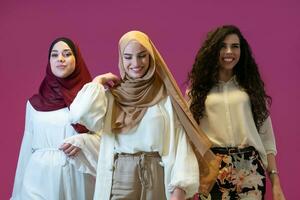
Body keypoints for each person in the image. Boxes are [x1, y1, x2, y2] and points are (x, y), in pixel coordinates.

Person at [70, 30, 218, 200]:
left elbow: (180, 143)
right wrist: (98, 81)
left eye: (142, 56)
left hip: (156, 175)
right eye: (128, 57)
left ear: (151, 57)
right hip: (120, 177)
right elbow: (77, 114)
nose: (136, 63)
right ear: (121, 58)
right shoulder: (112, 96)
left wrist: (180, 187)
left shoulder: (165, 96)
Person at [187, 25, 286, 199]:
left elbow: (266, 137)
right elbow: (188, 137)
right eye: (222, 46)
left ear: (242, 50)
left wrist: (275, 183)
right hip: (213, 169)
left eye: (235, 46)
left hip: (250, 169)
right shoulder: (197, 91)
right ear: (213, 50)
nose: (229, 51)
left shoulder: (251, 88)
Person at [11, 37, 100, 200]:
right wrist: (17, 193)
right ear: (49, 61)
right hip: (38, 176)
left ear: (77, 60)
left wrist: (84, 141)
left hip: (75, 178)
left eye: (67, 54)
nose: (60, 58)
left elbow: (107, 142)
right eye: (54, 55)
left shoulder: (89, 100)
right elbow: (27, 146)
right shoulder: (34, 104)